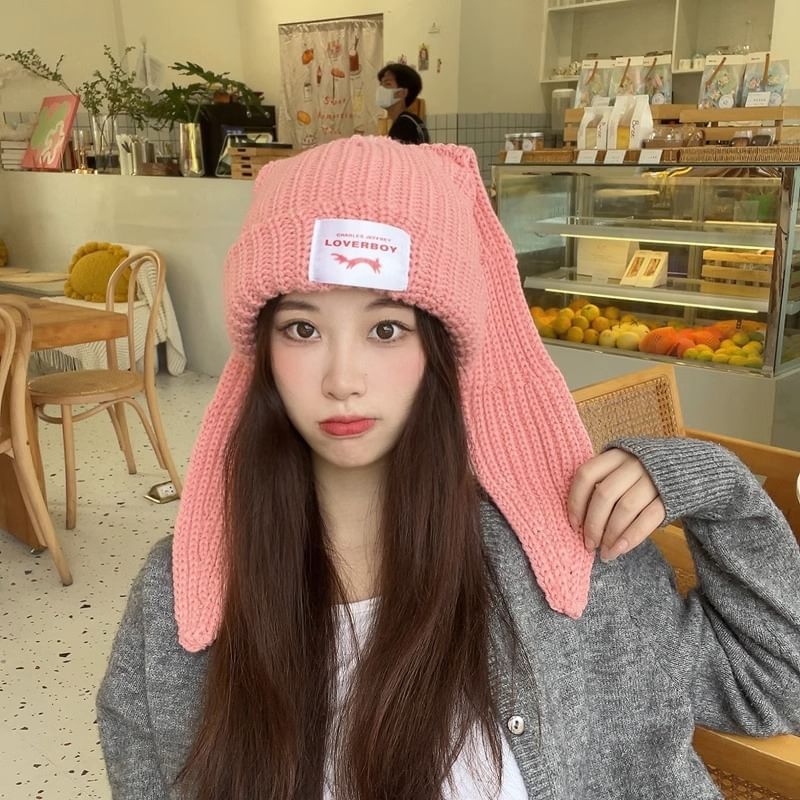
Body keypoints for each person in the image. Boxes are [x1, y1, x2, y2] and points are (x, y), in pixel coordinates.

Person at [96, 136, 800, 800]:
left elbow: (776, 684)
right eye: (302, 329)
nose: (343, 379)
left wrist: (716, 485)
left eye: (386, 329)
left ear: (440, 351)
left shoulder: (561, 555)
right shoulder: (182, 602)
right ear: (263, 351)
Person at [376, 62, 430, 144]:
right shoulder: (410, 120)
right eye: (381, 84)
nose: (381, 89)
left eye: (387, 84)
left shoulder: (404, 124)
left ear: (402, 93)